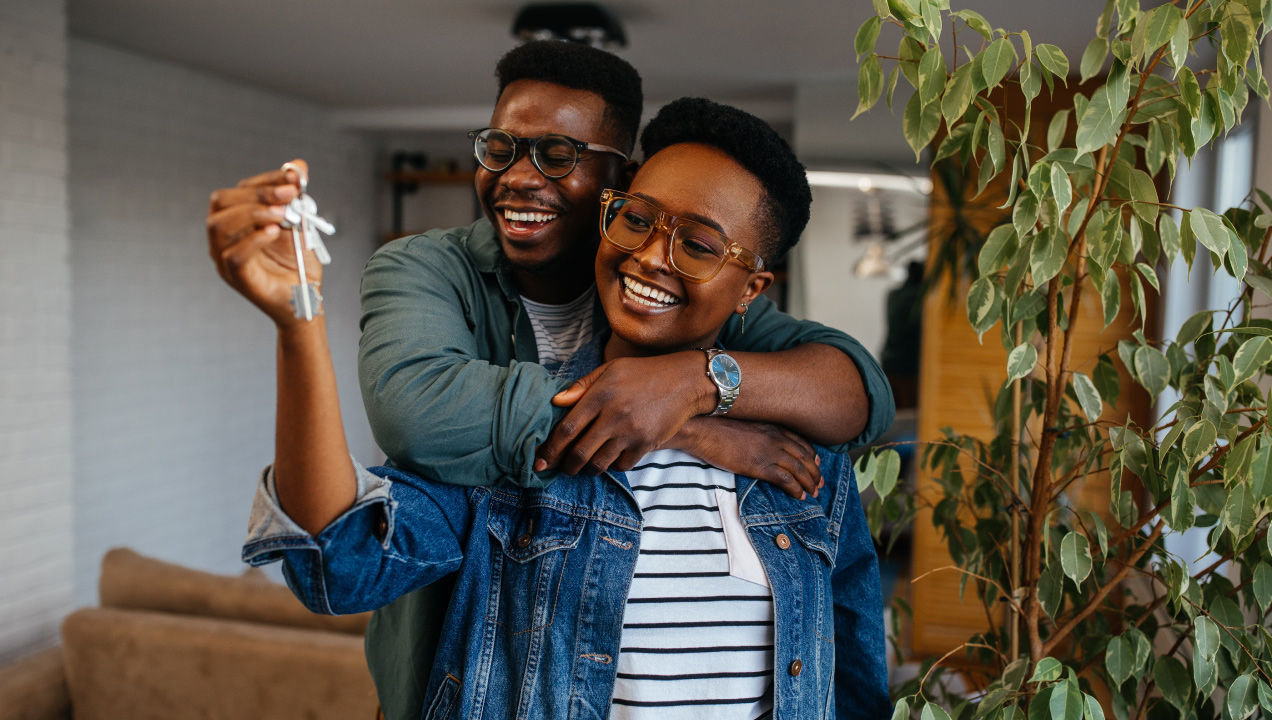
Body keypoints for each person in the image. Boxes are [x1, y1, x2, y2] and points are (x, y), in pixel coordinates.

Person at [206, 42, 894, 720]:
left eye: (698, 244)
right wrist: (299, 322)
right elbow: (339, 558)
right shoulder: (513, 448)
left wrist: (688, 387)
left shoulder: (803, 471)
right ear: (614, 213)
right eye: (639, 220)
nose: (652, 256)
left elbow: (853, 679)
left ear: (753, 288)